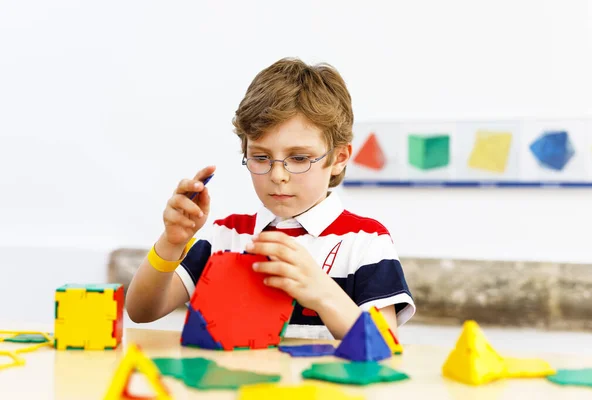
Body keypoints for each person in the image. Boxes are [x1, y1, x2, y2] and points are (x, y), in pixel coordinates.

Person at [125, 58, 415, 339]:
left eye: (299, 157)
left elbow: (383, 344)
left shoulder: (366, 241)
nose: (278, 175)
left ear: (339, 158)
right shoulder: (226, 236)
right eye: (261, 157)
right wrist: (171, 242)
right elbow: (141, 310)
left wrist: (324, 293)